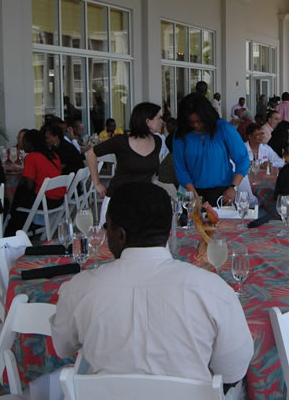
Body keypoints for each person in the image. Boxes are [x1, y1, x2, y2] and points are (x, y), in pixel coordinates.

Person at [51, 182, 253, 390]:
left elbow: (62, 347)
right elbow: (233, 370)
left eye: (106, 227)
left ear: (120, 234)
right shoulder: (213, 291)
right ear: (167, 231)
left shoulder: (79, 289)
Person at [172, 94, 249, 206]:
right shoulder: (181, 134)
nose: (196, 125)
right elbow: (180, 167)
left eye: (199, 121)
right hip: (193, 191)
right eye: (191, 122)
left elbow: (242, 158)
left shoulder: (223, 128)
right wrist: (192, 193)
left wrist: (233, 187)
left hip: (223, 192)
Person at [87, 102, 163, 202]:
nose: (162, 121)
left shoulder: (157, 141)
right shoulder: (121, 141)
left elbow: (151, 172)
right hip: (118, 199)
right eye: (159, 118)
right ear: (148, 121)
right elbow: (91, 153)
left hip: (143, 200)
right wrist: (97, 183)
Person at [6, 129, 64, 236]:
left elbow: (29, 186)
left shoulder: (31, 157)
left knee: (16, 198)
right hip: (59, 199)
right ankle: (24, 228)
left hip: (45, 200)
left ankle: (12, 231)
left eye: (25, 141)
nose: (22, 144)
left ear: (30, 143)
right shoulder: (53, 155)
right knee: (20, 197)